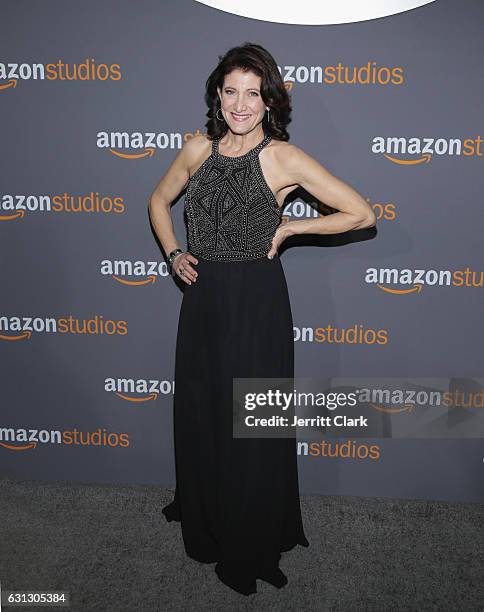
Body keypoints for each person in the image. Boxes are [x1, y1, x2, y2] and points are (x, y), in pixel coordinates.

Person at [148, 42, 376, 596]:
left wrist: (293, 227)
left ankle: (248, 540)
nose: (241, 104)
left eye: (253, 93)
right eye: (231, 91)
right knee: (203, 413)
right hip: (202, 302)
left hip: (256, 302)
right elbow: (157, 201)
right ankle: (204, 515)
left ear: (269, 99)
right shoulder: (197, 148)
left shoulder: (283, 158)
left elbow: (361, 212)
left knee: (250, 423)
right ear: (218, 96)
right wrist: (176, 254)